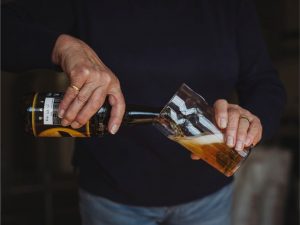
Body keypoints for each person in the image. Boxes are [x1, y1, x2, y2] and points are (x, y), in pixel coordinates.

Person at [2, 0, 286, 224]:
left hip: (208, 197)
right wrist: (62, 46)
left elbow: (264, 83)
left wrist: (252, 119)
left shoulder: (229, 5)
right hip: (112, 195)